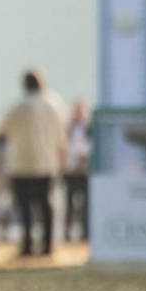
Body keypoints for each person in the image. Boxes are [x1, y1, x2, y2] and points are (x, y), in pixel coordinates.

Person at [0, 70, 67, 257]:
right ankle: (47, 245)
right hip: (46, 163)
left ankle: (27, 245)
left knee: (25, 206)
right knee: (46, 205)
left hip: (20, 164)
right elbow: (61, 138)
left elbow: (3, 130)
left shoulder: (17, 106)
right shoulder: (53, 105)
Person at [63, 100, 91, 242]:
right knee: (69, 204)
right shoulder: (68, 128)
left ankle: (85, 233)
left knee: (85, 204)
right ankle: (67, 233)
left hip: (85, 171)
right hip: (71, 170)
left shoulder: (89, 128)